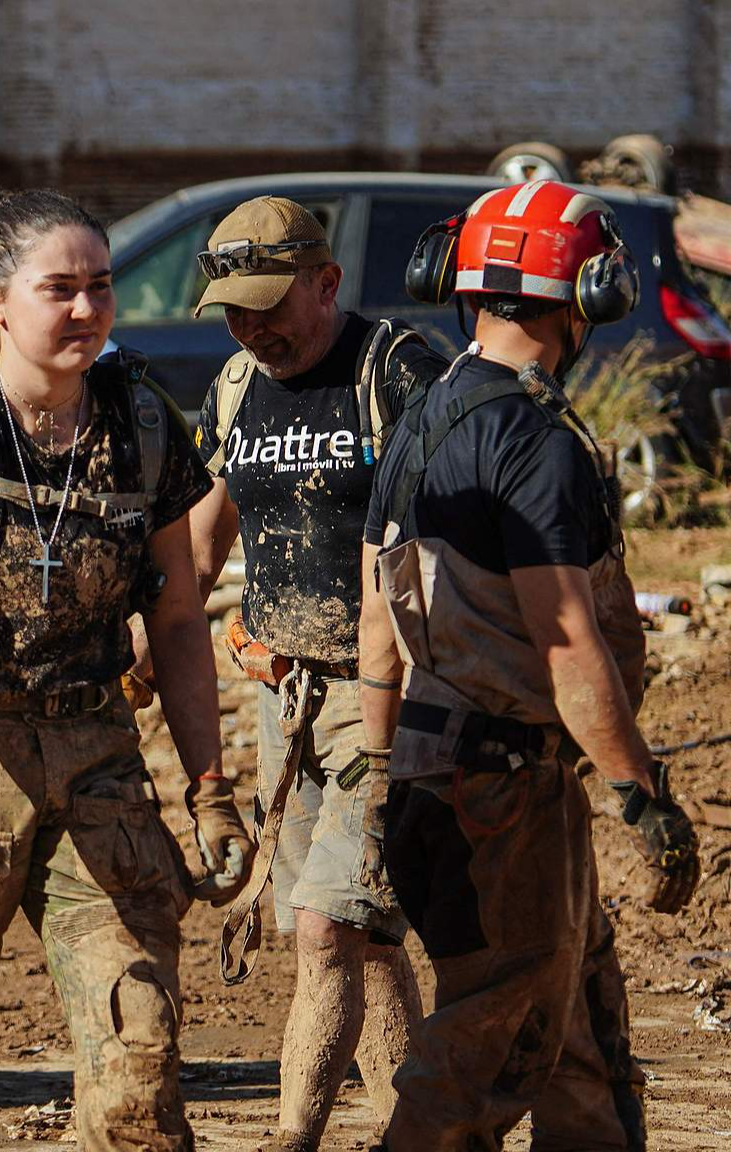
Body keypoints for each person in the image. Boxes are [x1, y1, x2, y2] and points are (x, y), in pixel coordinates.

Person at [0, 185, 249, 1152]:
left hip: (97, 754)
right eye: (58, 289)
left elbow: (181, 618)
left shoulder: (145, 424)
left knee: (140, 1058)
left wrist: (209, 789)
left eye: (101, 287)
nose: (85, 309)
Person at [359, 179, 702, 1151]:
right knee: (488, 1046)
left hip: (444, 776)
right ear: (588, 293)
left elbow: (374, 630)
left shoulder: (417, 424)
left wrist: (367, 779)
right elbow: (565, 645)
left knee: (578, 1034)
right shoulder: (536, 442)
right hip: (500, 797)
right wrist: (643, 796)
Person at [179, 196, 439, 1149]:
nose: (253, 329)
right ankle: (423, 1129)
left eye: (269, 305)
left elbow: (448, 540)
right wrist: (157, 638)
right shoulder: (237, 388)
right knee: (346, 933)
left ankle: (292, 1140)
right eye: (235, 312)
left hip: (388, 703)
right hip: (286, 702)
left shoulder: (397, 373)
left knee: (331, 930)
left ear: (326, 282)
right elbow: (204, 547)